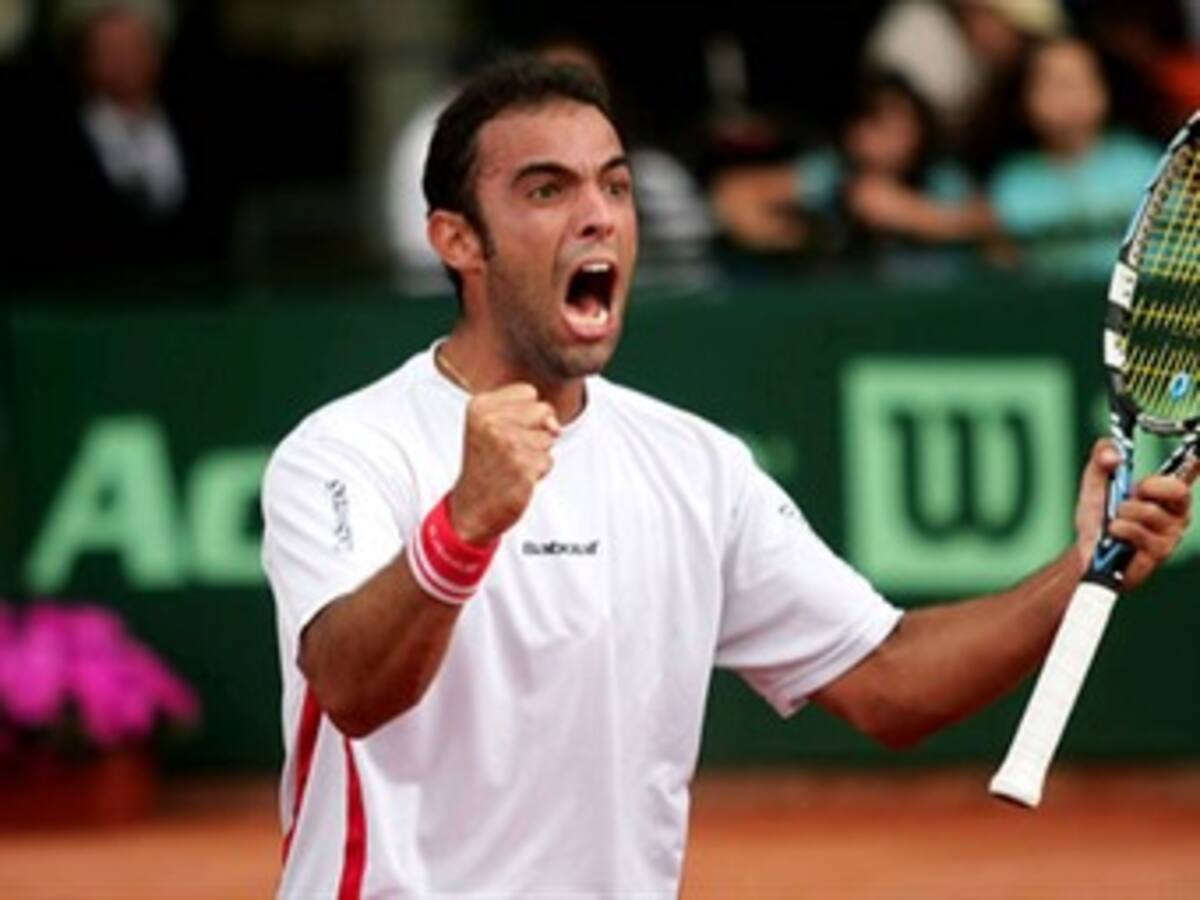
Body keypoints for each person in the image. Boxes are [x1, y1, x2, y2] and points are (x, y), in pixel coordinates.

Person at [261, 59, 1192, 897]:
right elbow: (352, 686)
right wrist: (463, 526)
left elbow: (889, 681)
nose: (597, 215)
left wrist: (1078, 573)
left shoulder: (697, 470)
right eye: (547, 189)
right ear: (457, 240)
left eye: (614, 186)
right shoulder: (345, 453)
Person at [988, 37, 1161, 279]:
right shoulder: (1013, 180)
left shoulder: (1145, 163)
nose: (1069, 96)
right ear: (1024, 97)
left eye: (1081, 81)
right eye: (1054, 84)